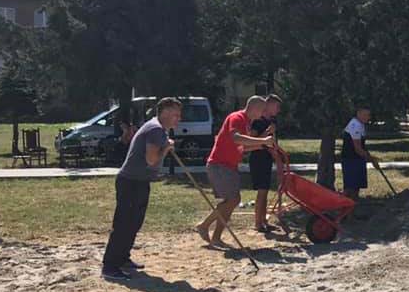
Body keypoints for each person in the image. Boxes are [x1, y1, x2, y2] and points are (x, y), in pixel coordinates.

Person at [102, 97, 181, 282]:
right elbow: (151, 160)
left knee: (134, 223)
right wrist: (166, 149)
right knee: (124, 225)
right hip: (131, 182)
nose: (179, 118)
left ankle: (123, 258)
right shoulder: (155, 129)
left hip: (139, 181)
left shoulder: (158, 129)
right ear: (165, 112)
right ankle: (110, 266)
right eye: (176, 114)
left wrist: (165, 143)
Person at [195, 95, 275, 246]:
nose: (263, 113)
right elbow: (236, 138)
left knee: (230, 202)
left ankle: (216, 237)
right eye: (262, 110)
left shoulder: (246, 122)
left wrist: (261, 146)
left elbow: (242, 147)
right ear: (255, 108)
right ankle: (204, 226)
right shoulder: (237, 117)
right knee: (233, 200)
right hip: (219, 165)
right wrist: (262, 141)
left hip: (229, 166)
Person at [250, 94, 282, 233]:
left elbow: (272, 141)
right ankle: (258, 223)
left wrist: (276, 153)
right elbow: (251, 140)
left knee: (266, 191)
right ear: (268, 105)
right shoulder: (257, 121)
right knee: (261, 192)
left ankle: (264, 221)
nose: (278, 110)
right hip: (258, 158)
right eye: (276, 106)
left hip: (267, 158)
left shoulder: (272, 121)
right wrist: (267, 133)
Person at [342, 106, 378, 201]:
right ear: (358, 113)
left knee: (356, 188)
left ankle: (350, 214)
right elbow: (358, 149)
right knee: (350, 189)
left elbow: (362, 146)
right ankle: (343, 212)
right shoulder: (355, 125)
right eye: (365, 115)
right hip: (351, 160)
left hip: (357, 159)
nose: (367, 117)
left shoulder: (361, 125)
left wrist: (369, 156)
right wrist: (372, 160)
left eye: (368, 115)